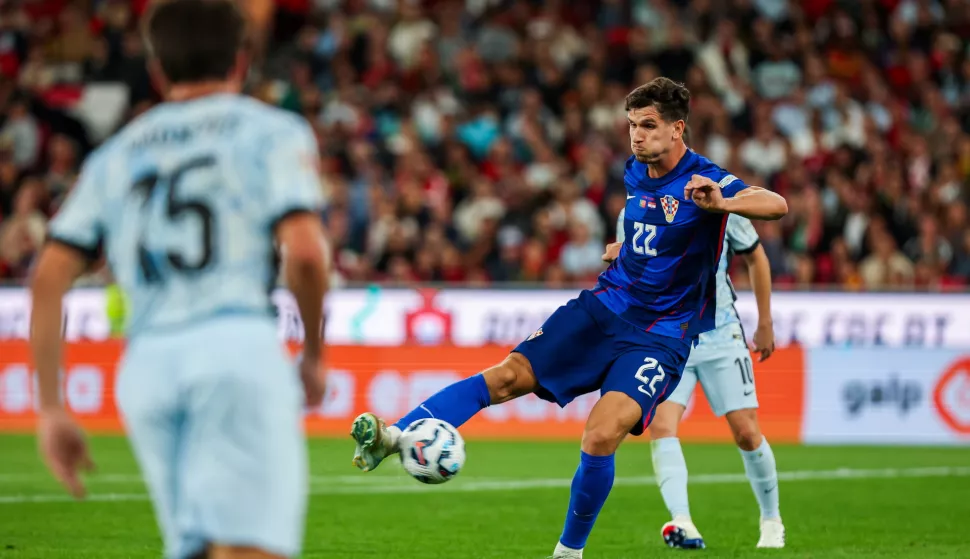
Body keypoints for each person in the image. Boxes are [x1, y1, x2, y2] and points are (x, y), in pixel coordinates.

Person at [349, 77, 788, 559]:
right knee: (505, 376)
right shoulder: (635, 170)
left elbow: (776, 204)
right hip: (602, 309)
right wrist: (626, 251)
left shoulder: (704, 179)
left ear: (677, 129)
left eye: (647, 125)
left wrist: (725, 201)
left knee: (601, 435)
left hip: (658, 337)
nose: (636, 135)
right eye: (631, 126)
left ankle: (567, 553)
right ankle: (393, 437)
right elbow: (656, 233)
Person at [29, 2, 330, 559]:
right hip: (235, 347)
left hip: (147, 367)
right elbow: (307, 254)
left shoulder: (116, 154)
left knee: (195, 547)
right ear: (242, 61)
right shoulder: (272, 130)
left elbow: (49, 277)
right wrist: (312, 353)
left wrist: (50, 406)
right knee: (249, 550)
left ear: (158, 69)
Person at [605, 210, 785, 549]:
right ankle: (682, 520)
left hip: (720, 333)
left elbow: (756, 256)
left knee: (746, 432)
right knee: (661, 425)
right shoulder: (633, 210)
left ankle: (771, 518)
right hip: (668, 337)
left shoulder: (717, 201)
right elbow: (628, 276)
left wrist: (765, 321)